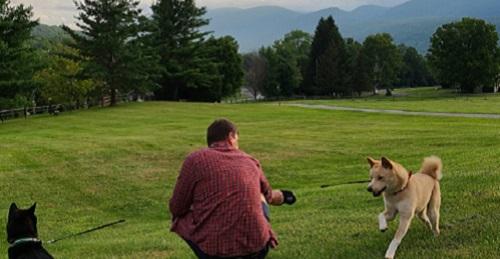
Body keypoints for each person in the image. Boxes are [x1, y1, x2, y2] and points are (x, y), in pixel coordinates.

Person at [169, 118, 296, 259]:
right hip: (257, 247)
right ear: (231, 136)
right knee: (260, 193)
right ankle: (283, 199)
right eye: (237, 139)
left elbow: (177, 207)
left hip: (214, 251)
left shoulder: (195, 160)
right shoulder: (250, 161)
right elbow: (268, 196)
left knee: (179, 219)